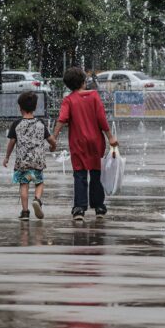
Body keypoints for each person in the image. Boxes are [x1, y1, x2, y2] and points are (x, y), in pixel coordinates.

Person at [53, 67, 120, 221]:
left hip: (78, 143)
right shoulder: (94, 96)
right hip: (96, 142)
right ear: (84, 82)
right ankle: (99, 207)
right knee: (97, 174)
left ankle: (79, 209)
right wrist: (110, 137)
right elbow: (101, 119)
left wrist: (53, 137)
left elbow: (61, 119)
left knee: (80, 174)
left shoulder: (68, 100)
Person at [3, 91, 58, 221]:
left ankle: (25, 212)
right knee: (39, 182)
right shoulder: (40, 123)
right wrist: (53, 147)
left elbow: (11, 142)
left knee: (24, 184)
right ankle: (37, 200)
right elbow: (51, 140)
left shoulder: (17, 124)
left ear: (20, 107)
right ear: (34, 107)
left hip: (23, 162)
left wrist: (7, 157)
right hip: (37, 161)